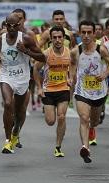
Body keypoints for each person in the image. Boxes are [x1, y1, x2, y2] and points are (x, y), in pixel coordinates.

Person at [0, 13, 45, 154]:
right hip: (6, 76)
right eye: (8, 25)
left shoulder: (26, 39)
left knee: (20, 111)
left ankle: (16, 131)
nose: (11, 28)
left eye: (14, 25)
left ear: (19, 25)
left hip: (22, 78)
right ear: (5, 25)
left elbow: (42, 57)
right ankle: (7, 141)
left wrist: (26, 51)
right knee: (8, 104)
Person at [72, 20, 109, 163]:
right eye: (83, 32)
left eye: (89, 32)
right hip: (82, 91)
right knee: (84, 118)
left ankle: (92, 129)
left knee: (94, 121)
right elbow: (72, 69)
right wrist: (70, 82)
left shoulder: (100, 50)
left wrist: (104, 74)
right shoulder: (75, 51)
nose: (86, 36)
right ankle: (85, 147)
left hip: (98, 92)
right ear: (79, 33)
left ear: (94, 33)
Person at [34, 26, 74, 157]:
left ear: (63, 38)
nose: (57, 40)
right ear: (50, 39)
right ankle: (48, 111)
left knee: (61, 117)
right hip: (48, 90)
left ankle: (58, 146)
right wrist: (39, 88)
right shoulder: (45, 54)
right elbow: (35, 69)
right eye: (54, 38)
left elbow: (73, 67)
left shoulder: (69, 53)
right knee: (50, 121)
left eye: (60, 37)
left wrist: (71, 78)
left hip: (63, 89)